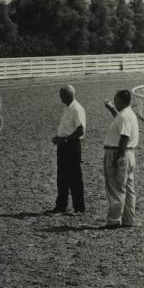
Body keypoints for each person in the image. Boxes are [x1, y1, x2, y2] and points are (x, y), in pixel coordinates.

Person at [102, 89, 140, 229]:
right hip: (130, 154)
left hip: (119, 152)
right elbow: (120, 122)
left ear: (121, 101)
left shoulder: (124, 116)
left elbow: (124, 136)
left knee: (115, 187)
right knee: (128, 188)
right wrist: (111, 109)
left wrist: (119, 158)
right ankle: (128, 219)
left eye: (116, 100)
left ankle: (114, 220)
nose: (115, 102)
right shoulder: (129, 114)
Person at [46, 84, 86, 214]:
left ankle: (78, 207)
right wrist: (59, 138)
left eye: (62, 95)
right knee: (62, 177)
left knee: (74, 177)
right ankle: (61, 206)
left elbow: (80, 130)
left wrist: (66, 139)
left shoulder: (76, 109)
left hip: (71, 146)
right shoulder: (69, 108)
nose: (60, 97)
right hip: (65, 145)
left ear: (67, 95)